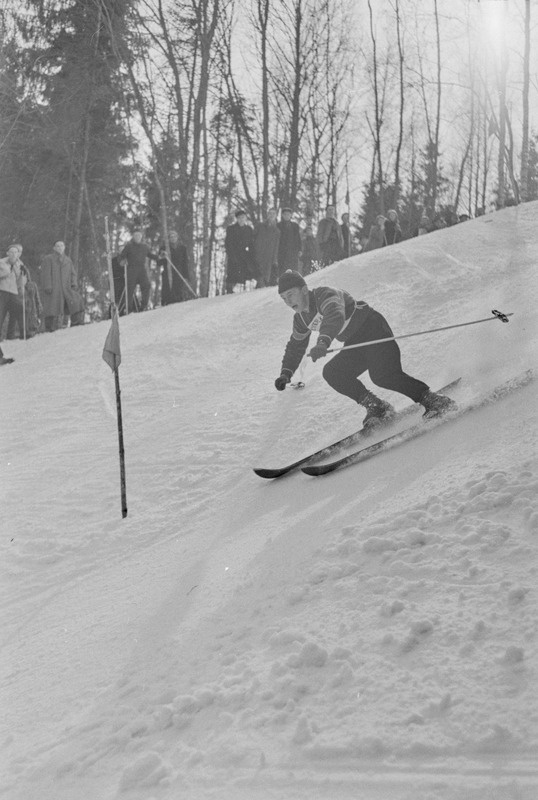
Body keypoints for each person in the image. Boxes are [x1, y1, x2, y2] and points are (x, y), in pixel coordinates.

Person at [273, 270, 455, 426]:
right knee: (333, 372)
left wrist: (322, 342)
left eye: (290, 295)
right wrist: (285, 373)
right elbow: (295, 346)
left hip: (373, 328)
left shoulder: (325, 295)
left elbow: (334, 316)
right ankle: (378, 407)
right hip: (355, 341)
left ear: (304, 289)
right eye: (283, 298)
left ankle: (432, 399)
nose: (288, 301)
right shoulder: (301, 318)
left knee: (383, 376)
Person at [40, 241, 84, 331]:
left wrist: (73, 284)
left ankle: (76, 323)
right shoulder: (48, 259)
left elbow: (73, 274)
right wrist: (47, 285)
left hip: (66, 288)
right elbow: (46, 274)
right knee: (52, 308)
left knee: (76, 301)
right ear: (54, 248)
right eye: (57, 246)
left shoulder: (68, 260)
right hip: (54, 288)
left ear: (64, 248)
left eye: (61, 246)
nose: (60, 248)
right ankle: (50, 328)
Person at [119, 229, 156, 312]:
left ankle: (143, 306)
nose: (137, 237)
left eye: (139, 235)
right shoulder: (129, 246)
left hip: (141, 269)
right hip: (131, 269)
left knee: (146, 285)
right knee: (130, 289)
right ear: (133, 237)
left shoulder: (144, 247)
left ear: (141, 236)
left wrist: (159, 257)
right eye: (136, 235)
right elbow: (121, 256)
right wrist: (122, 261)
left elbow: (150, 255)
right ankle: (129, 308)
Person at [224, 210, 257, 293]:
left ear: (245, 218)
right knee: (232, 274)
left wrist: (251, 255)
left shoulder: (249, 229)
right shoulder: (231, 229)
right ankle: (229, 290)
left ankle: (243, 291)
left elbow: (251, 244)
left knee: (244, 273)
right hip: (233, 254)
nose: (241, 219)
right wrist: (231, 255)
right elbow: (228, 244)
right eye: (239, 218)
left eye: (243, 217)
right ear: (236, 219)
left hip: (244, 255)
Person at [158, 230, 190, 304]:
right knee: (167, 288)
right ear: (168, 239)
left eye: (174, 236)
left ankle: (179, 301)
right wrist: (162, 256)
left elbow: (185, 262)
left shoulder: (182, 248)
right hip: (167, 271)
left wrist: (186, 275)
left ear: (177, 237)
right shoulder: (164, 248)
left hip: (179, 271)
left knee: (179, 288)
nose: (173, 238)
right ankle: (166, 302)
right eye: (171, 237)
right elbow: (159, 262)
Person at [0, 245, 24, 340]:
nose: (13, 254)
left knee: (17, 312)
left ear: (18, 254)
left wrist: (21, 286)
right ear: (7, 253)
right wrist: (8, 269)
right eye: (11, 252)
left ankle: (12, 336)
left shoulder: (20, 264)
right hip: (2, 291)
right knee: (1, 314)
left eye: (15, 252)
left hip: (14, 292)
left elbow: (20, 279)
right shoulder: (1, 262)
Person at [254, 209, 280, 288]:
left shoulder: (277, 231)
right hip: (259, 253)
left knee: (266, 275)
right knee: (259, 273)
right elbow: (253, 238)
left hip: (269, 255)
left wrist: (274, 258)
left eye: (273, 214)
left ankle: (261, 289)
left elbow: (276, 245)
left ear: (276, 216)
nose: (271, 215)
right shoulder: (260, 226)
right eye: (270, 213)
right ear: (267, 215)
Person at [276, 207, 302, 279]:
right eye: (285, 214)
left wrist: (299, 249)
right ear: (282, 215)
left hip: (293, 251)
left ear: (291, 215)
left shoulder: (295, 226)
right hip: (282, 251)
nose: (287, 216)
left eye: (288, 214)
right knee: (282, 268)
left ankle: (293, 282)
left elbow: (298, 238)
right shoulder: (278, 225)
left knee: (293, 268)